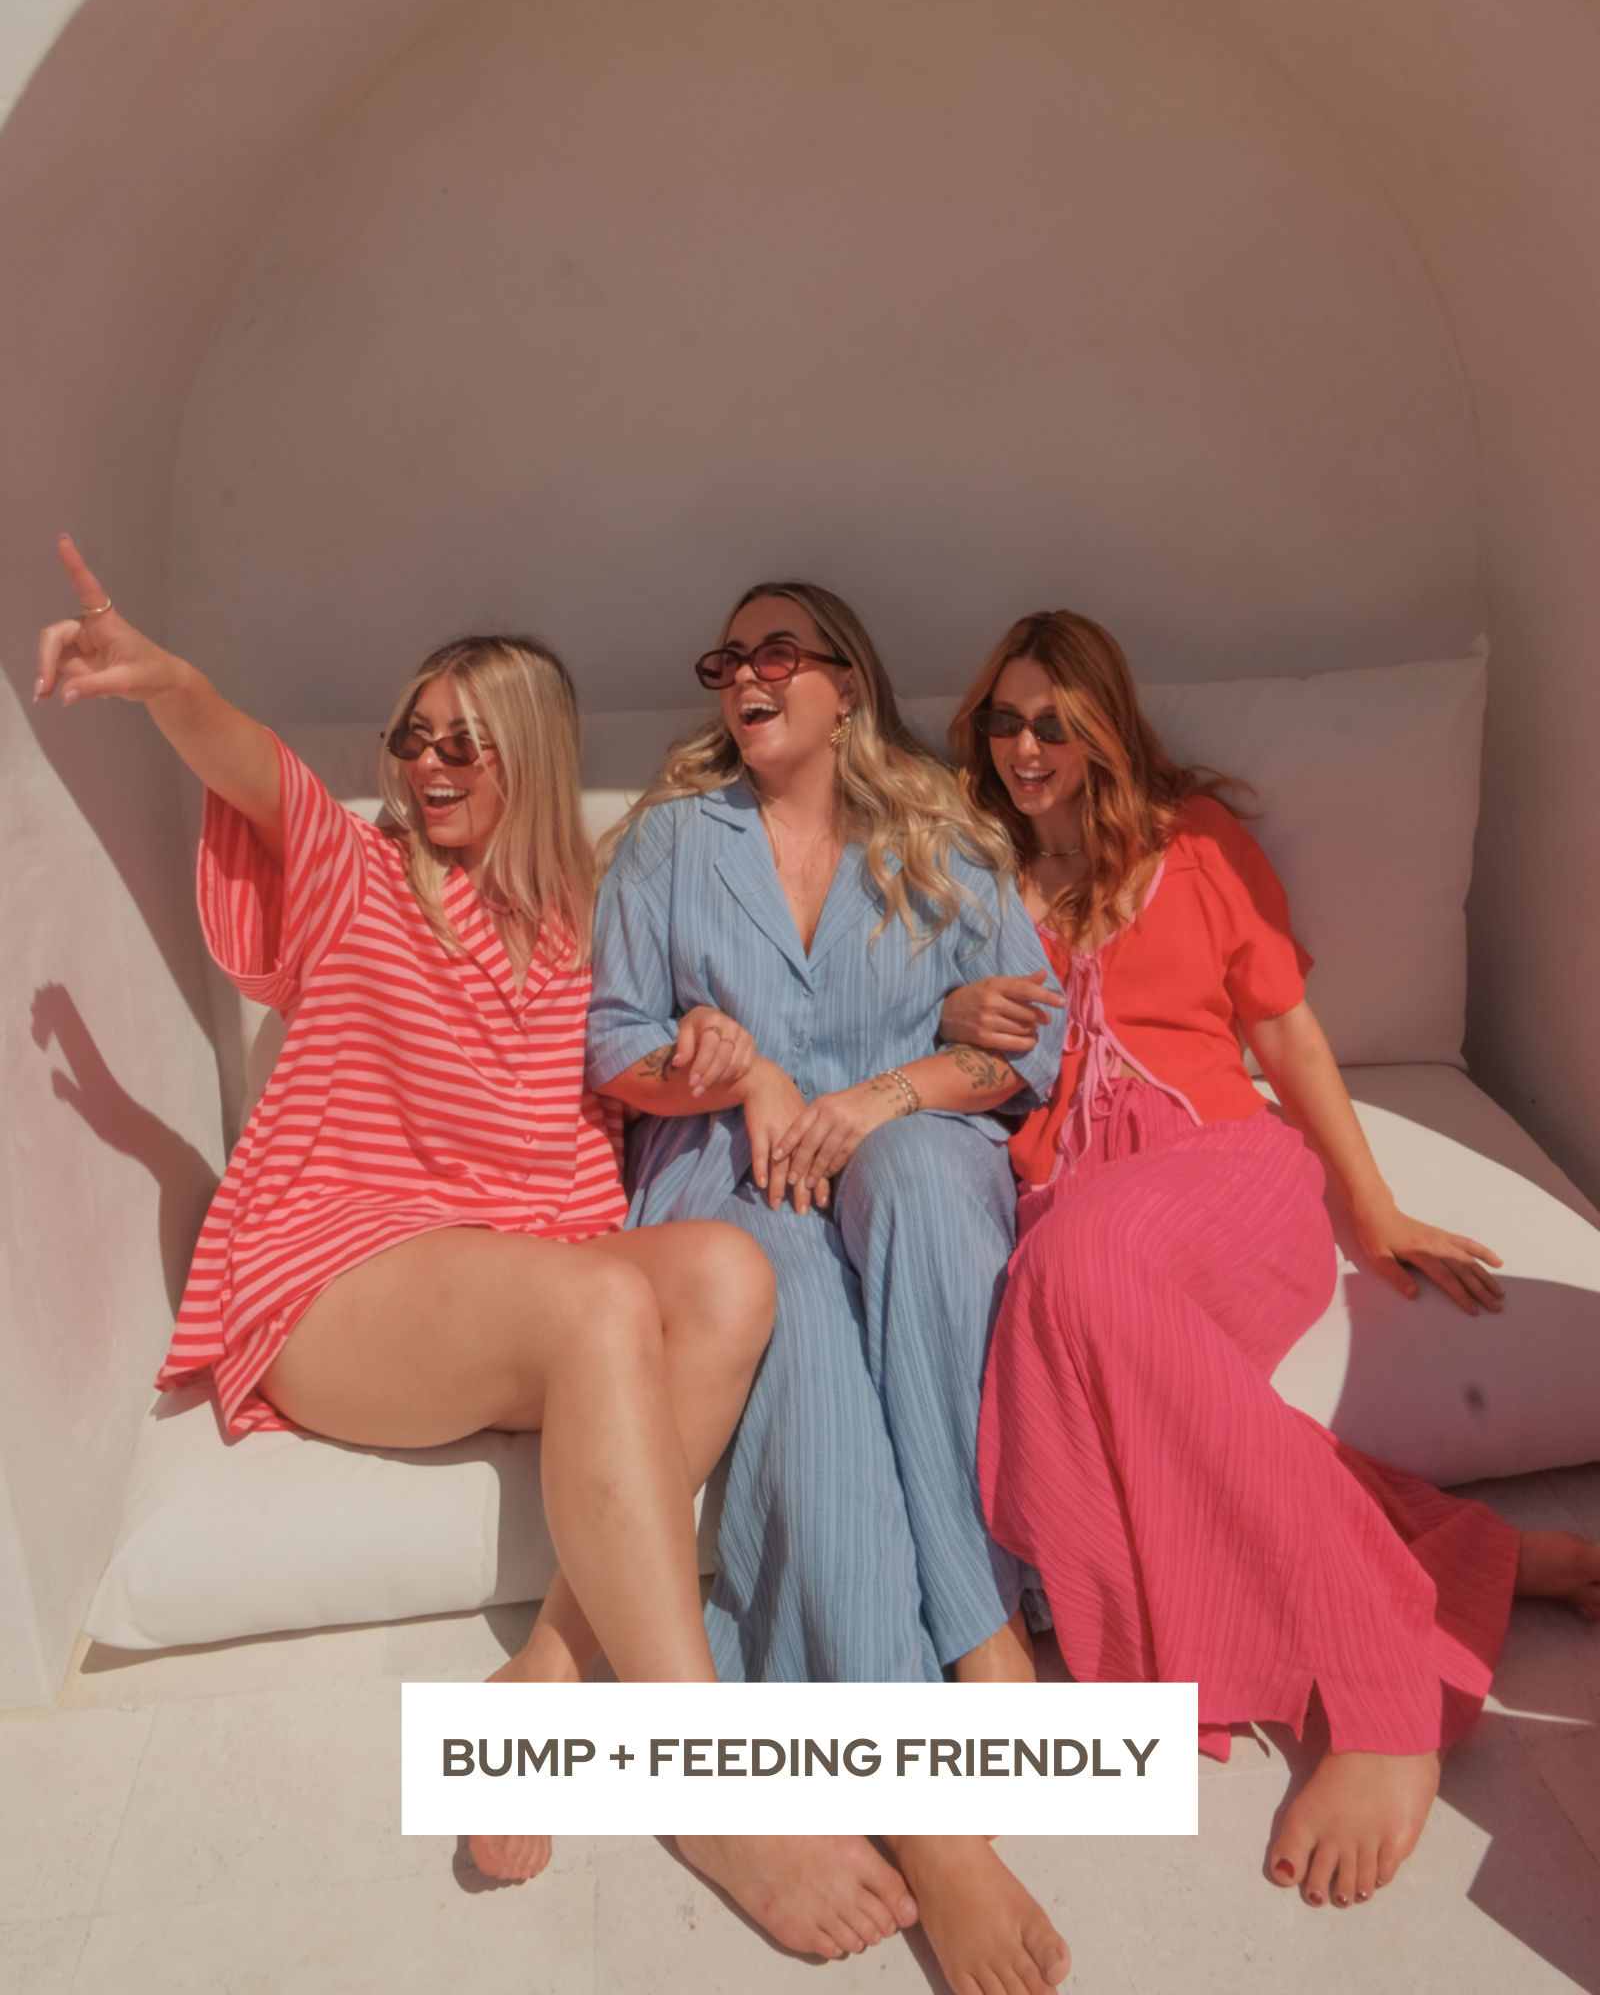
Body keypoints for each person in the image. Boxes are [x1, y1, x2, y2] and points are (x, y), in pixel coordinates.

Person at [35, 535, 775, 1885]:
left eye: (464, 743)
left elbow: (635, 1071)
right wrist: (163, 681)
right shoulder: (356, 876)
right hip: (338, 1286)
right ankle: (708, 1781)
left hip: (527, 1296)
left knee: (730, 1273)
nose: (428, 763)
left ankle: (546, 1675)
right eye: (411, 736)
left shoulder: (588, 930)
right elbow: (248, 762)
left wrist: (707, 1057)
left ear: (530, 760)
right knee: (600, 1298)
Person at [941, 607, 1600, 1915]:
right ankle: (1466, 1564)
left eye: (1054, 722)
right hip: (1077, 1200)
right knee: (1101, 1318)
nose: (1026, 747)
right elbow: (912, 1028)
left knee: (1069, 1275)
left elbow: (1288, 1035)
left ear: (1103, 727)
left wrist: (1377, 1207)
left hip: (1222, 1177)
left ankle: (1387, 1697)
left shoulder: (1193, 845)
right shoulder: (970, 872)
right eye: (1005, 722)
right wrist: (955, 1009)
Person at [587, 582, 1071, 1991]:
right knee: (789, 1268)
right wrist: (722, 1070)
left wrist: (880, 1097)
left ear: (846, 681)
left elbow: (1025, 1052)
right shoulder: (674, 843)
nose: (746, 673)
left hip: (904, 1148)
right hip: (728, 1173)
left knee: (918, 1184)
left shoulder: (944, 837)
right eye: (728, 658)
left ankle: (982, 1628)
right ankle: (927, 1820)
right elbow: (612, 1044)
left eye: (777, 650)